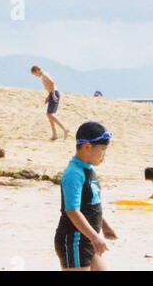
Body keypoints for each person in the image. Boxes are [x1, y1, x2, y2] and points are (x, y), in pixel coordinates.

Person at [55, 122, 117, 270]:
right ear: (87, 147)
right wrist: (95, 237)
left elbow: (90, 206)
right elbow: (72, 211)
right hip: (74, 240)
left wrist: (104, 226)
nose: (104, 155)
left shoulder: (88, 169)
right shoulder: (74, 173)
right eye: (102, 149)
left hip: (88, 238)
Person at [31, 65, 67, 140]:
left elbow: (52, 83)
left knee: (49, 114)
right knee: (49, 115)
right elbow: (49, 86)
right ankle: (55, 134)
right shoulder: (44, 75)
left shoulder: (44, 75)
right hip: (52, 94)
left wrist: (53, 95)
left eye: (35, 74)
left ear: (37, 70)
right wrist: (48, 96)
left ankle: (64, 129)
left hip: (54, 93)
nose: (36, 76)